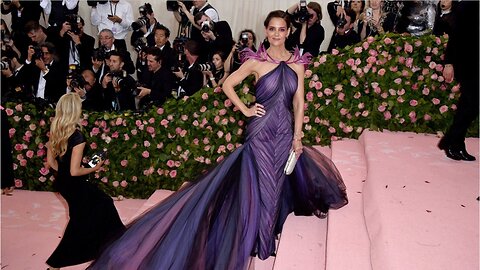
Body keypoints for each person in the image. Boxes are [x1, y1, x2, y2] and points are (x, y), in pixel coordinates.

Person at [87, 10, 347, 270]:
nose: (277, 34)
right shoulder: (256, 62)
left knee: (277, 185)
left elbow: (299, 101)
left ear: (289, 31)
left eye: (281, 29)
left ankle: (264, 234)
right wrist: (245, 109)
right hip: (260, 133)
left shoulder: (297, 64)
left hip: (285, 132)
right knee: (265, 185)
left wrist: (298, 136)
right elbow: (227, 85)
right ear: (266, 31)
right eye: (272, 29)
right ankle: (264, 245)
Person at [45, 93, 125, 269]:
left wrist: (65, 172)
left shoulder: (56, 131)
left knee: (100, 205)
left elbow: (52, 163)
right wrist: (94, 168)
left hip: (64, 184)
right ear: (75, 110)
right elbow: (75, 171)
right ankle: (55, 264)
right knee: (83, 218)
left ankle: (110, 245)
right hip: (76, 185)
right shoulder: (77, 137)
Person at [437, 1, 478, 161]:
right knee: (473, 104)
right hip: (467, 64)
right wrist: (448, 63)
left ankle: (456, 143)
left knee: (467, 105)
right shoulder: (466, 5)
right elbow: (455, 37)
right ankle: (451, 140)